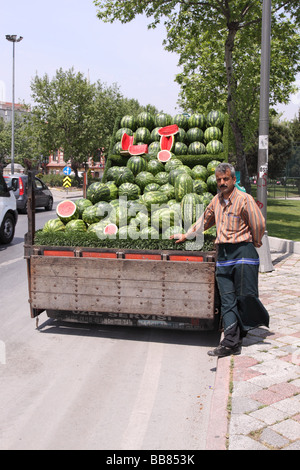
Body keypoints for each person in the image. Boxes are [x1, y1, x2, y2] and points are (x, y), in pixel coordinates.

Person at [171, 162, 269, 358]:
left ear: (234, 179)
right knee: (227, 300)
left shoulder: (244, 199)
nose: (222, 182)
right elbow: (204, 221)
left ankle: (247, 328)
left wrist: (256, 242)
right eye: (219, 180)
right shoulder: (216, 201)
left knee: (245, 296)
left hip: (243, 254)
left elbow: (259, 223)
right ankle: (231, 342)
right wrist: (186, 235)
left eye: (226, 179)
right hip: (223, 255)